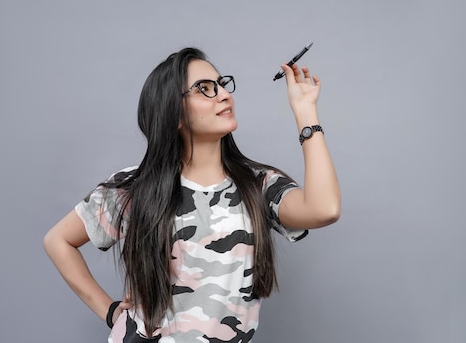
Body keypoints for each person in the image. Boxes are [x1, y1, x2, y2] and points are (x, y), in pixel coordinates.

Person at [43, 47, 340, 343]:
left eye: (221, 85)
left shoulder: (259, 185)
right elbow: (58, 240)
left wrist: (305, 113)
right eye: (205, 89)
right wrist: (110, 312)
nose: (224, 95)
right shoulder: (135, 186)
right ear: (174, 113)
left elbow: (324, 209)